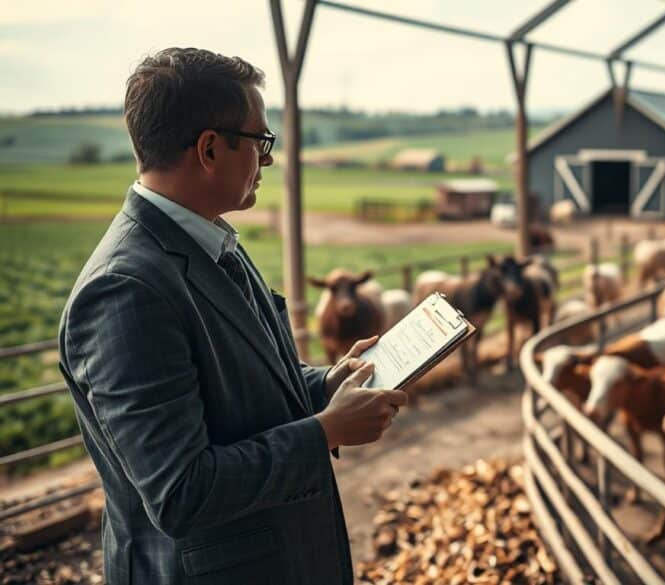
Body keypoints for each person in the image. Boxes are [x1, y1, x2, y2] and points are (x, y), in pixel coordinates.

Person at [57, 47, 405, 585]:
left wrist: (325, 384)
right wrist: (325, 430)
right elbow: (181, 492)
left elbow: (239, 394)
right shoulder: (124, 291)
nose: (267, 159)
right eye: (261, 141)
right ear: (210, 149)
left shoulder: (211, 239)